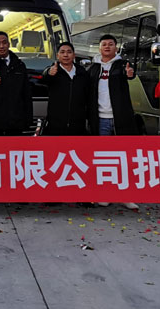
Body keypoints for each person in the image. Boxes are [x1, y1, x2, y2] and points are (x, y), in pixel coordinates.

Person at [88, 34, 139, 210]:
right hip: (100, 119)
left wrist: (130, 74)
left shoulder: (122, 65)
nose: (107, 47)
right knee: (104, 160)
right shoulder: (93, 68)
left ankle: (126, 196)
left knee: (124, 159)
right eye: (104, 44)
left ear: (116, 48)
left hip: (120, 119)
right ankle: (106, 194)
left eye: (111, 44)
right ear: (99, 48)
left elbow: (130, 74)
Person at [0, 31, 32, 136]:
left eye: (4, 43)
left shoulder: (19, 65)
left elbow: (26, 93)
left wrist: (28, 118)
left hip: (16, 120)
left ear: (8, 44)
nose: (1, 46)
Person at [41, 42, 90, 136]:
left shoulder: (82, 73)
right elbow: (44, 77)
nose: (66, 55)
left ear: (74, 55)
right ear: (57, 55)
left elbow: (88, 96)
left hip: (78, 125)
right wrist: (49, 73)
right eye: (62, 52)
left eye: (69, 52)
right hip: (56, 126)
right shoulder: (53, 71)